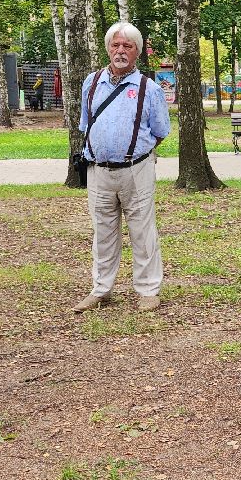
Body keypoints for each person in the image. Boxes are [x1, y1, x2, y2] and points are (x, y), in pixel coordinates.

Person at [72, 22, 170, 314]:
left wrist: (135, 153)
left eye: (127, 46)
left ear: (137, 52)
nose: (120, 51)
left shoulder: (149, 89)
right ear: (107, 48)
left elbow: (161, 131)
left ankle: (148, 290)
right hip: (98, 171)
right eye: (115, 45)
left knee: (142, 232)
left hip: (135, 170)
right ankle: (101, 289)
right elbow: (85, 124)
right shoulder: (91, 82)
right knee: (102, 232)